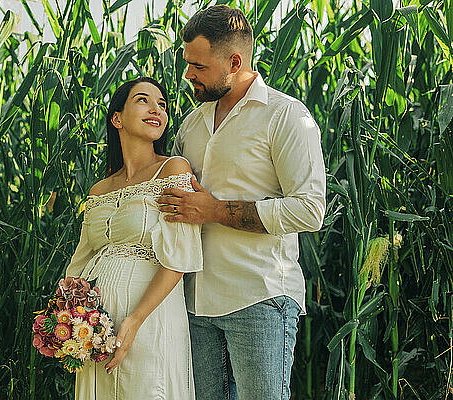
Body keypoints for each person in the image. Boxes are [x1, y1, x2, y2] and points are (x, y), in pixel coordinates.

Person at [156, 6, 326, 400]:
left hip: (259, 295)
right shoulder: (192, 125)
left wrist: (215, 210)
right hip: (195, 303)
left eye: (199, 66)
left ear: (235, 62)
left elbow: (310, 209)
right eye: (187, 63)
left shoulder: (285, 117)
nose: (187, 76)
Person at [64, 76, 202, 399]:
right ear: (117, 119)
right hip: (95, 331)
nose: (156, 109)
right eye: (143, 100)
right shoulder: (98, 190)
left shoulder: (172, 170)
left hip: (150, 320)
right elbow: (80, 262)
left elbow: (179, 259)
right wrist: (68, 316)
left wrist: (135, 320)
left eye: (162, 104)